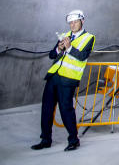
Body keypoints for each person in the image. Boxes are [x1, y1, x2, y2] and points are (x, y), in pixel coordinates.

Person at [32, 9, 95, 152]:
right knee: (47, 109)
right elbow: (51, 55)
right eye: (70, 23)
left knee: (66, 110)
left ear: (82, 21)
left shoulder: (89, 38)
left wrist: (69, 48)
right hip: (54, 77)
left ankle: (74, 140)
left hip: (68, 80)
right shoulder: (65, 35)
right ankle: (45, 139)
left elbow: (82, 56)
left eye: (75, 22)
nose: (72, 25)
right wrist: (59, 49)